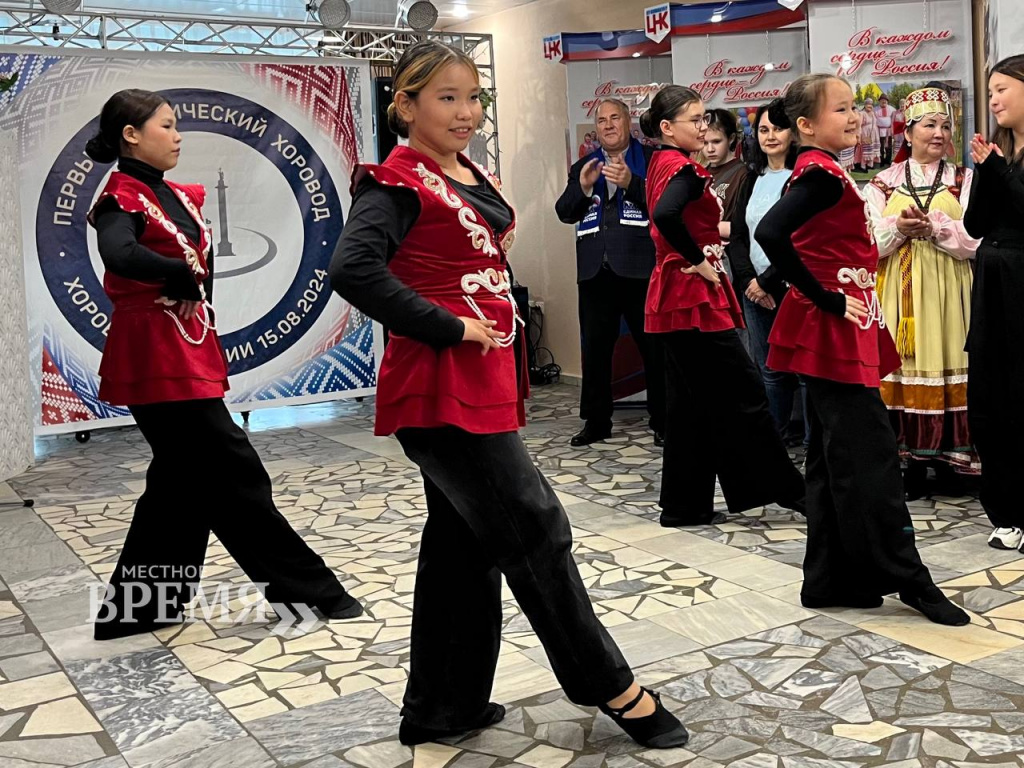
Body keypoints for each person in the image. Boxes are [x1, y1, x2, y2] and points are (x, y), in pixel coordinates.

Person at [329, 41, 689, 749]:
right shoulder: (396, 182)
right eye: (446, 99)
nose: (466, 113)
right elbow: (353, 268)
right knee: (535, 525)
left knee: (462, 547)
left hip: (478, 377)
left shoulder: (462, 172)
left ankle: (441, 705)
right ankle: (611, 685)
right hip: (439, 385)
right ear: (404, 106)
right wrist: (445, 323)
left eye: (473, 98)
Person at [85, 89, 363, 641]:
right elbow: (118, 254)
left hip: (184, 346)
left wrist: (182, 278)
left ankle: (138, 610)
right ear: (131, 135)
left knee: (179, 483)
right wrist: (176, 275)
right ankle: (309, 591)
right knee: (233, 470)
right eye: (166, 125)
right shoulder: (121, 196)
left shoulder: (170, 196)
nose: (178, 134)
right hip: (154, 353)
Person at [754, 74, 969, 626]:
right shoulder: (821, 175)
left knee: (830, 458)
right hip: (835, 328)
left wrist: (802, 288)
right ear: (806, 126)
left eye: (854, 108)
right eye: (841, 110)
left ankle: (828, 578)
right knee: (870, 456)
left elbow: (796, 242)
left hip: (839, 324)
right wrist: (823, 295)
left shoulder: (822, 172)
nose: (854, 118)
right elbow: (773, 235)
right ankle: (907, 576)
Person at [638, 85, 805, 527]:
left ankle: (683, 504)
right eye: (694, 120)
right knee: (744, 390)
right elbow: (665, 218)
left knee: (690, 403)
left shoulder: (662, 163)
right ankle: (787, 489)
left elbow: (664, 218)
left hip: (674, 292)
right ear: (667, 127)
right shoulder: (684, 171)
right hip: (691, 294)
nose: (703, 127)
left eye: (704, 119)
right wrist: (698, 260)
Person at [865, 87, 980, 498]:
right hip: (899, 290)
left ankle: (953, 462)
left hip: (951, 289)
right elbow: (866, 242)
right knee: (904, 364)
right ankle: (908, 463)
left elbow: (974, 239)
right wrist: (898, 228)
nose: (939, 133)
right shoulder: (882, 182)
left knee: (951, 359)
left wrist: (935, 229)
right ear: (908, 132)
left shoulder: (964, 180)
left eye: (945, 125)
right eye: (929, 124)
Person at [556, 98, 666, 447]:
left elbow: (665, 207)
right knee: (596, 349)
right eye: (601, 120)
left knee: (654, 347)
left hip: (640, 268)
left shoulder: (651, 160)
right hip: (595, 271)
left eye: (614, 117)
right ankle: (596, 421)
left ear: (627, 121)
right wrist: (584, 188)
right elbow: (565, 212)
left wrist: (633, 183)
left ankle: (663, 419)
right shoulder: (583, 166)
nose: (607, 125)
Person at [965, 54, 1024, 552]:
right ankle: (1004, 512)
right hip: (990, 287)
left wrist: (1000, 169)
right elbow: (974, 225)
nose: (995, 100)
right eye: (990, 93)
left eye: (1002, 89)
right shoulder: (997, 154)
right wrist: (987, 171)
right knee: (989, 402)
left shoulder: (1008, 160)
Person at [728, 98, 804, 443]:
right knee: (771, 370)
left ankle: (810, 440)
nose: (770, 136)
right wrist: (750, 282)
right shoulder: (751, 178)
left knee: (804, 370)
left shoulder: (802, 177)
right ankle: (777, 438)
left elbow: (801, 237)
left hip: (794, 286)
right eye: (763, 130)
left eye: (778, 128)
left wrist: (768, 280)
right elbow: (738, 235)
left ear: (794, 133)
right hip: (755, 290)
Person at [703, 109, 748, 244]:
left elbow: (744, 227)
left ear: (731, 138)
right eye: (705, 143)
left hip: (730, 254)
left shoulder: (744, 175)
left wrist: (701, 227)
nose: (710, 149)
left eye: (716, 142)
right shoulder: (699, 174)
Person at [859, 98, 881, 170]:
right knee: (865, 150)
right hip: (865, 133)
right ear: (865, 105)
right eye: (868, 104)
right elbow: (859, 125)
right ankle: (863, 165)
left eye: (871, 104)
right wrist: (859, 135)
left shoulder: (873, 113)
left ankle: (870, 164)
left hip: (874, 134)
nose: (870, 106)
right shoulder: (862, 113)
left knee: (872, 149)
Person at [876, 94, 895, 165]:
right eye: (882, 100)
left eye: (885, 100)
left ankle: (888, 160)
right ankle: (881, 160)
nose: (883, 101)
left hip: (888, 131)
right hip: (879, 131)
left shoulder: (892, 109)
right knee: (880, 146)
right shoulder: (875, 109)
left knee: (889, 146)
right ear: (879, 101)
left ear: (887, 101)